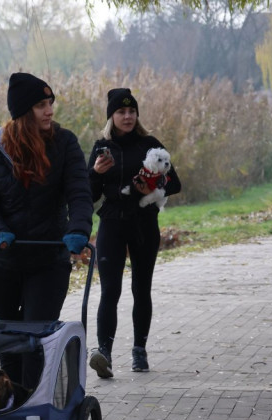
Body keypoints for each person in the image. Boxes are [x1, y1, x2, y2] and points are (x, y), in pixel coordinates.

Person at [0, 72, 93, 389]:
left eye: (50, 103)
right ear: (24, 111)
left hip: (47, 260)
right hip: (4, 261)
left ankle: (31, 414)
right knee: (9, 345)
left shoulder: (64, 143)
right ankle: (9, 407)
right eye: (41, 105)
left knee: (35, 340)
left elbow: (79, 195)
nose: (50, 110)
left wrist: (77, 229)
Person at [87, 88, 181, 378]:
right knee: (110, 291)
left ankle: (139, 351)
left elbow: (175, 184)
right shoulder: (102, 146)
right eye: (121, 112)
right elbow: (89, 195)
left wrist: (153, 187)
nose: (127, 117)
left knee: (141, 289)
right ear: (111, 116)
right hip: (112, 223)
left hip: (143, 223)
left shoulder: (150, 144)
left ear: (136, 114)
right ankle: (105, 354)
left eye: (131, 112)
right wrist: (96, 173)